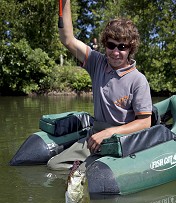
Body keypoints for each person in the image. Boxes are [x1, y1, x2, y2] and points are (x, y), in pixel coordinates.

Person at [47, 0, 152, 171]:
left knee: (87, 174)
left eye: (122, 47)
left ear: (130, 49)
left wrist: (110, 133)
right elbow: (67, 39)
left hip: (121, 140)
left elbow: (145, 122)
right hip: (94, 135)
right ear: (105, 45)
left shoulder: (138, 80)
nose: (116, 52)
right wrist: (65, 2)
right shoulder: (97, 62)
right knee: (54, 165)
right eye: (111, 45)